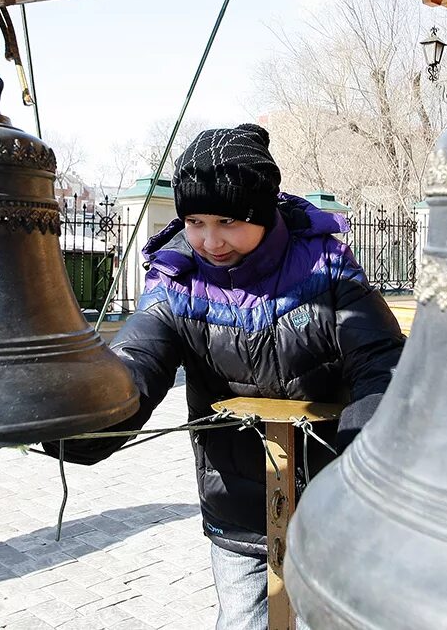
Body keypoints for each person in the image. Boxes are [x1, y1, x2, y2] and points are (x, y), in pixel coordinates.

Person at [47, 123, 405, 629]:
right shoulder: (176, 282)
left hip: (334, 505)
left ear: (264, 213)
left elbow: (382, 365)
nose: (209, 240)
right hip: (235, 505)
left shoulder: (327, 269)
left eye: (228, 221)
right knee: (242, 622)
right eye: (194, 221)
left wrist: (363, 466)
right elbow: (137, 365)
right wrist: (75, 419)